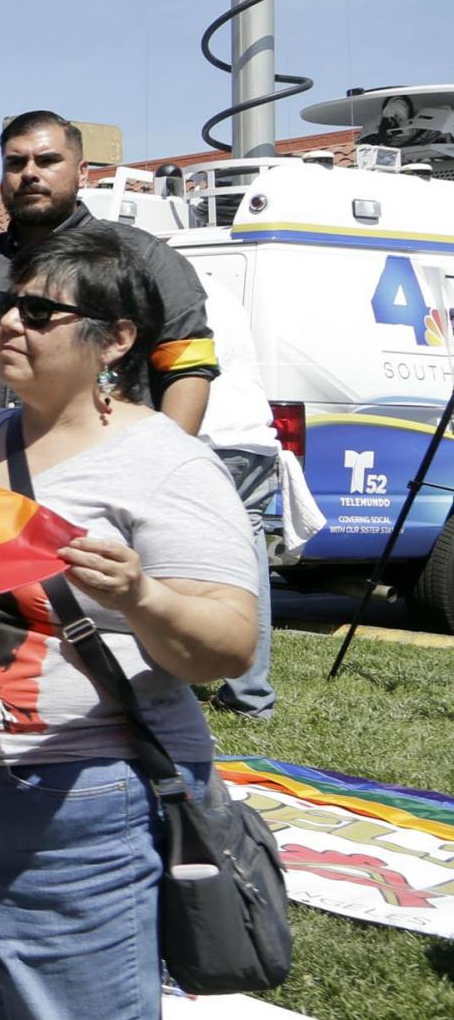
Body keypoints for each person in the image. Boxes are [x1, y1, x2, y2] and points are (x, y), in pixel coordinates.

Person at [0, 226, 257, 1020]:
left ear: (116, 340)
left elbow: (229, 643)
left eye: (40, 312)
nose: (11, 322)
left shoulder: (163, 464)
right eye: (5, 305)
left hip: (69, 803)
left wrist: (143, 596)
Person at [0, 112, 217, 439]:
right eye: (16, 163)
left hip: (105, 479)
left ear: (82, 173)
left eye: (47, 160)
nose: (30, 174)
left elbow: (188, 368)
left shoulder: (143, 258)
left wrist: (162, 464)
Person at [198, 285, 282, 718]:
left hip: (208, 438)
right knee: (250, 571)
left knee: (169, 559)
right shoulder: (223, 293)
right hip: (253, 440)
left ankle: (158, 680)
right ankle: (251, 695)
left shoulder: (172, 293)